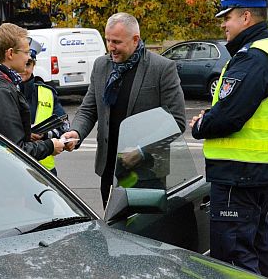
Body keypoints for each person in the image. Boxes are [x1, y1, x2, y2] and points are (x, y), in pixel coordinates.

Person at [190, 0, 268, 278]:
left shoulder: (253, 59)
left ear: (246, 17)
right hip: (255, 172)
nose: (223, 25)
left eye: (228, 18)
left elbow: (229, 115)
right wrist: (213, 116)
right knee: (258, 252)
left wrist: (201, 124)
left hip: (238, 175)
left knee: (234, 259)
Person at [62, 12, 186, 208]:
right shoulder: (101, 65)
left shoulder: (162, 68)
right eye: (108, 40)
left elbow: (176, 121)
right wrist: (76, 132)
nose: (111, 47)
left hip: (146, 173)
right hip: (109, 169)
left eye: (117, 42)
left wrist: (141, 151)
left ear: (135, 39)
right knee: (112, 232)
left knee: (142, 235)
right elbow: (89, 108)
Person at [0, 23, 64, 161]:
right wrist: (50, 146)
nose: (28, 58)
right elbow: (15, 150)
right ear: (10, 53)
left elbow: (0, 137)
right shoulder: (0, 91)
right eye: (26, 52)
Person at [19, 53, 70, 176]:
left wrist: (44, 134)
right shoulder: (3, 91)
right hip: (14, 169)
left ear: (33, 65)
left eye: (28, 64)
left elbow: (64, 127)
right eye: (22, 64)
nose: (24, 69)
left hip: (45, 171)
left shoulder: (47, 92)